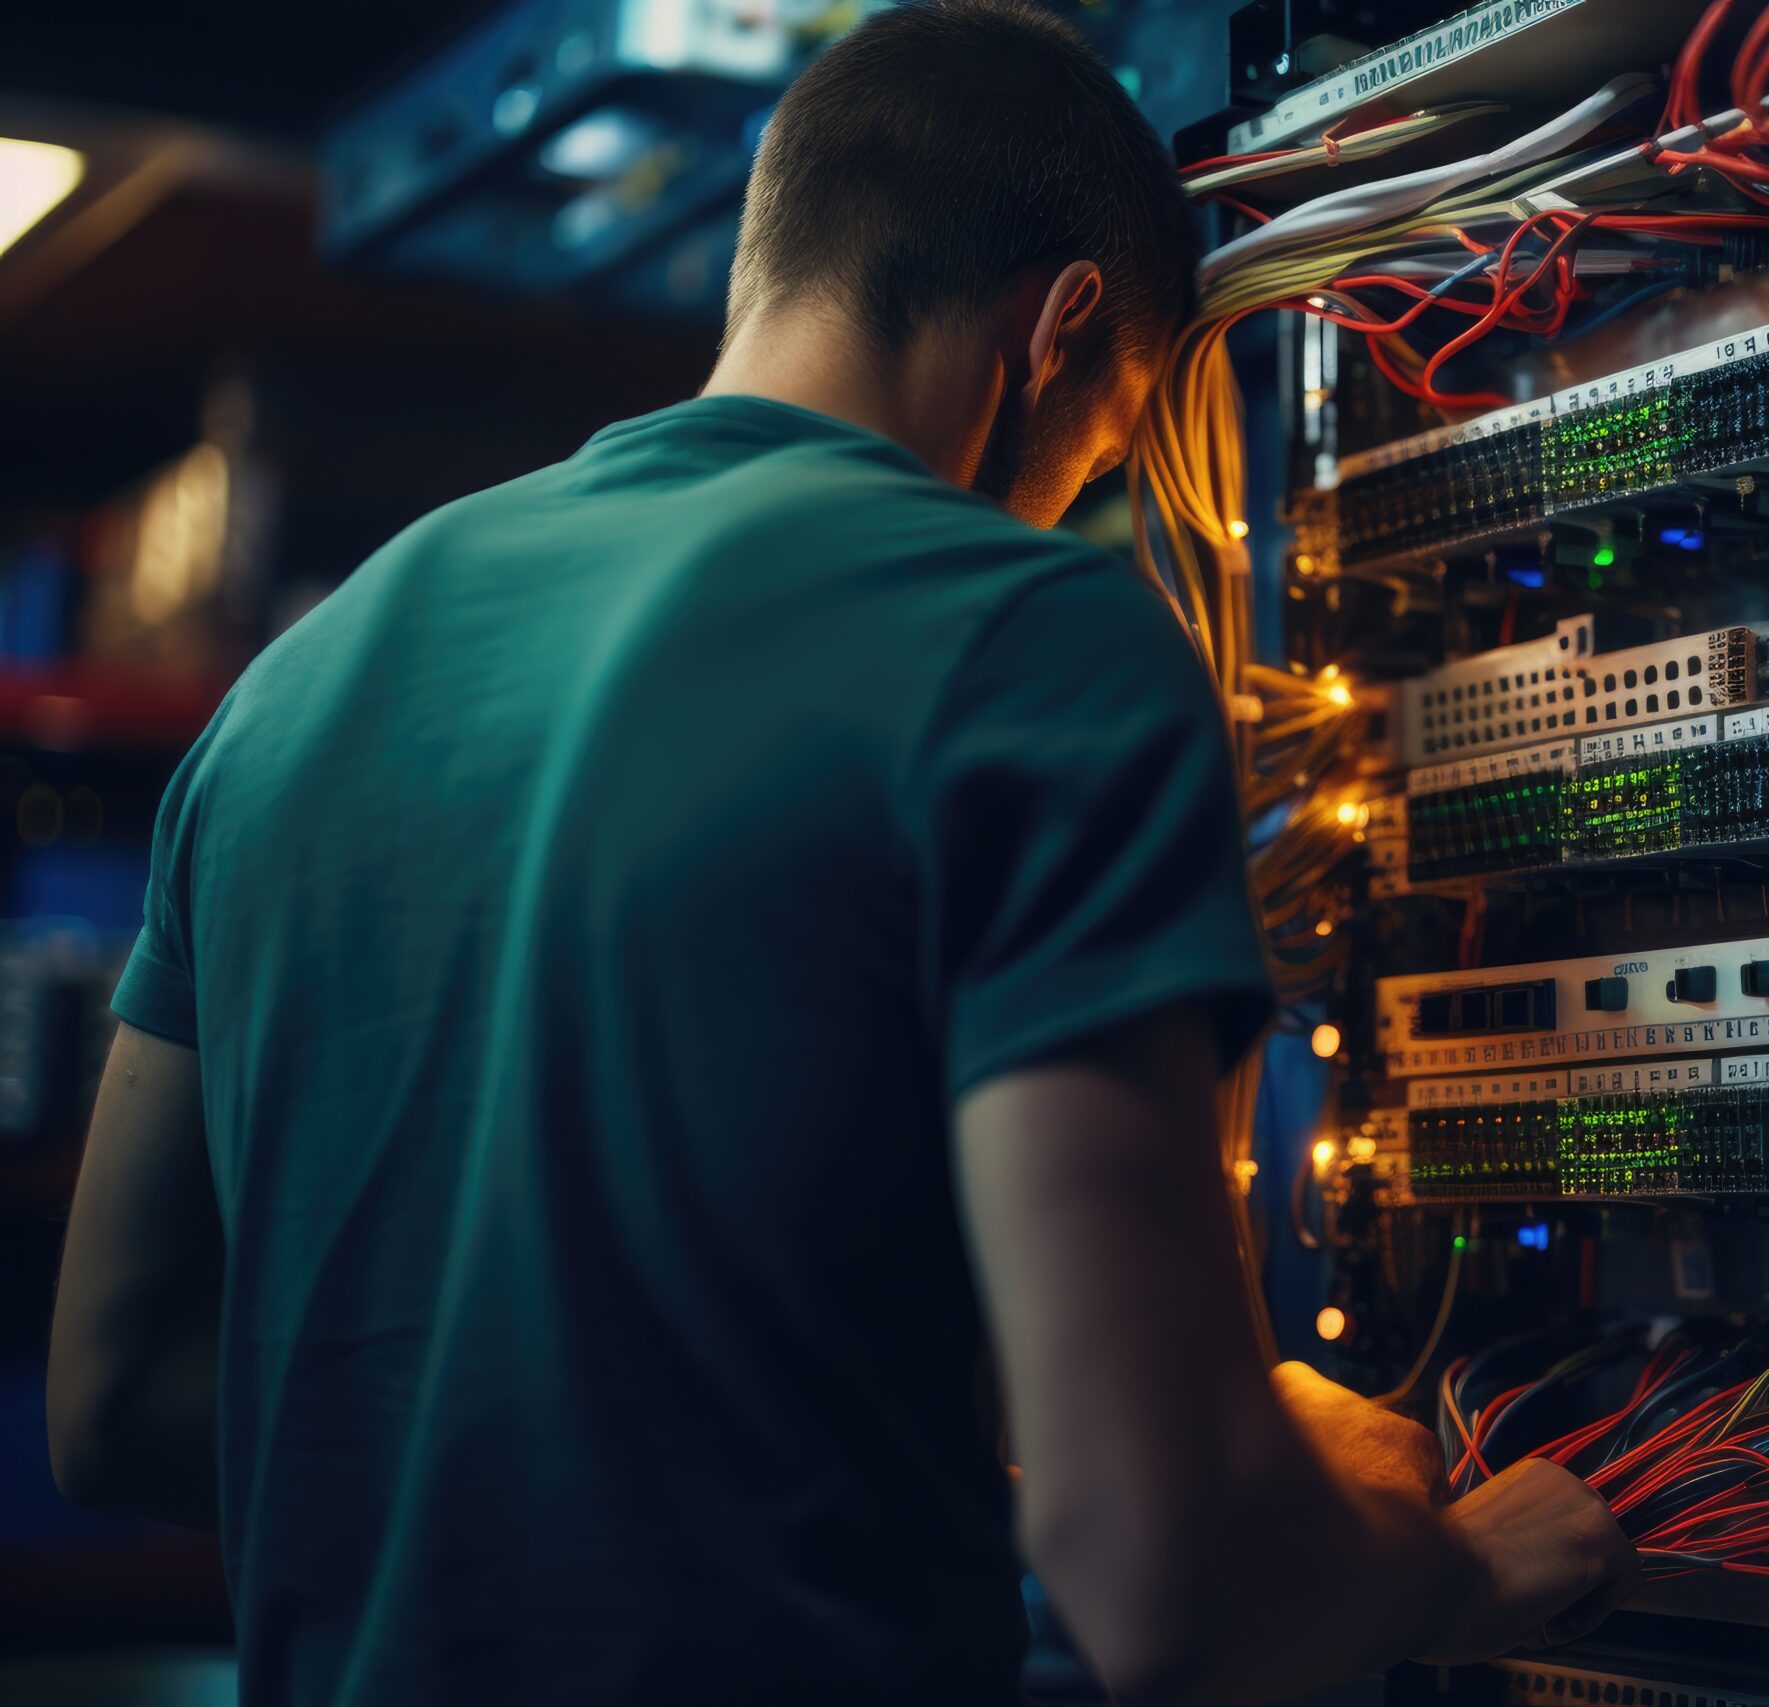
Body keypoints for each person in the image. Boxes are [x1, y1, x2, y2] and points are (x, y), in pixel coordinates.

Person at [44, 2, 1640, 1701]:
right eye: (1106, 451)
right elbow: (1175, 1583)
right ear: (1062, 326)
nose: (1078, 502)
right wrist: (1443, 1555)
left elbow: (116, 1400)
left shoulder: (291, 689)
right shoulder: (1032, 643)